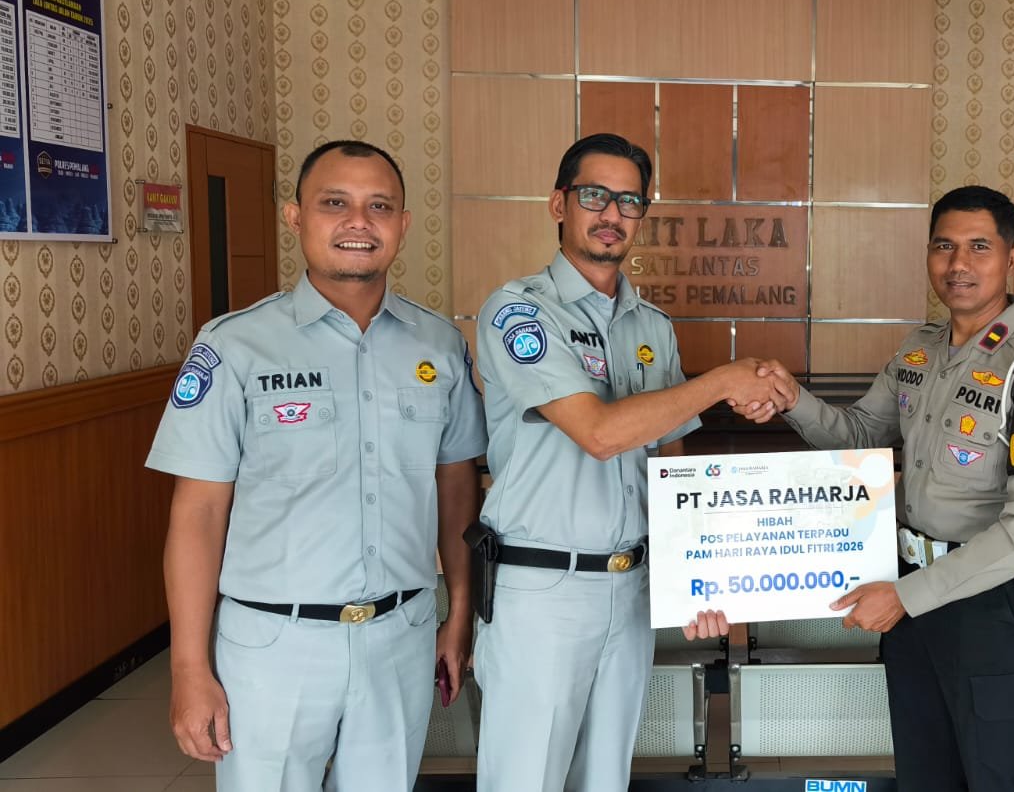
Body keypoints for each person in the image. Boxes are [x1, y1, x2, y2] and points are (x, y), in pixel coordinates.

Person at [147, 140, 488, 790]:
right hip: (275, 643)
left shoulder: (439, 345)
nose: (359, 222)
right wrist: (188, 667)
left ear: (402, 224)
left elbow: (456, 489)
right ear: (295, 215)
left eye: (379, 206)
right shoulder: (235, 346)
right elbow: (198, 513)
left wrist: (459, 612)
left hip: (401, 633)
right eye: (335, 203)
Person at [740, 186, 1014, 791]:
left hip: (988, 608)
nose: (959, 264)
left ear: (1012, 258)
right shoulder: (918, 350)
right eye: (944, 247)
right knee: (924, 774)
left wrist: (906, 596)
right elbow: (859, 435)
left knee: (992, 778)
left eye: (979, 247)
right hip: (911, 601)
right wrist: (793, 399)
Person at [470, 132, 791, 791]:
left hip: (631, 587)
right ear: (559, 204)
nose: (611, 213)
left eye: (629, 201)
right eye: (594, 196)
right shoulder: (520, 310)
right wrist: (722, 382)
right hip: (542, 591)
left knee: (605, 779)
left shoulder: (652, 327)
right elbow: (599, 433)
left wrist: (695, 580)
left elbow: (670, 467)